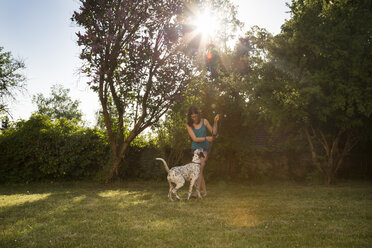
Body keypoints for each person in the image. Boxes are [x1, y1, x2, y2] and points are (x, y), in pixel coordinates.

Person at [186, 106, 219, 197]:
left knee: (201, 165)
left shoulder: (204, 121)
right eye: (192, 117)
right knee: (200, 169)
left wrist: (215, 121)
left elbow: (214, 132)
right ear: (190, 117)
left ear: (198, 115)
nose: (195, 118)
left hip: (204, 148)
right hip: (196, 149)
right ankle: (204, 192)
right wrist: (206, 138)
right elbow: (195, 139)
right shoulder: (189, 125)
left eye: (196, 116)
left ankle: (197, 192)